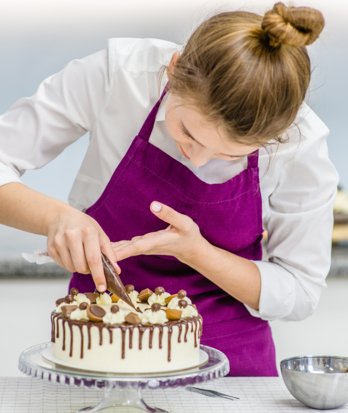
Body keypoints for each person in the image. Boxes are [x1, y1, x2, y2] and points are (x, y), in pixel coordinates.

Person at [0, 2, 338, 376]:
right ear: (174, 70)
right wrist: (56, 217)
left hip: (233, 368)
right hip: (100, 347)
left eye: (228, 154)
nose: (197, 159)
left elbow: (301, 291)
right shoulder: (120, 74)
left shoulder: (301, 143)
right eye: (188, 133)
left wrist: (198, 253)